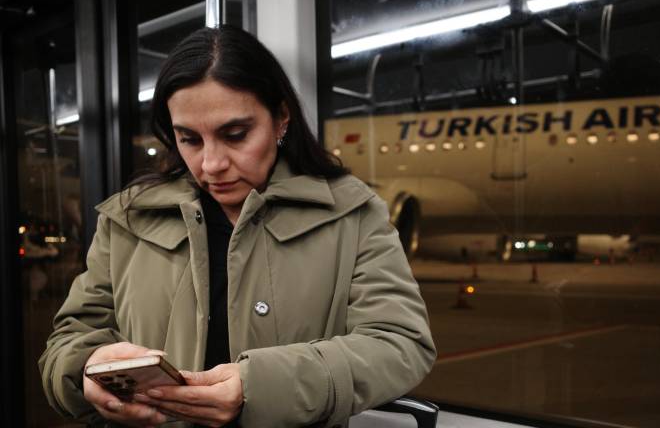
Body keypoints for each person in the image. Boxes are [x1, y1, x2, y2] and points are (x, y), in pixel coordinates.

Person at [39, 25, 436, 427]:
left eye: (235, 135)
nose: (211, 164)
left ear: (281, 118)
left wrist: (259, 386)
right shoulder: (129, 219)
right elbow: (66, 342)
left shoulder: (352, 214)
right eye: (189, 139)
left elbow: (400, 344)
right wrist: (86, 368)